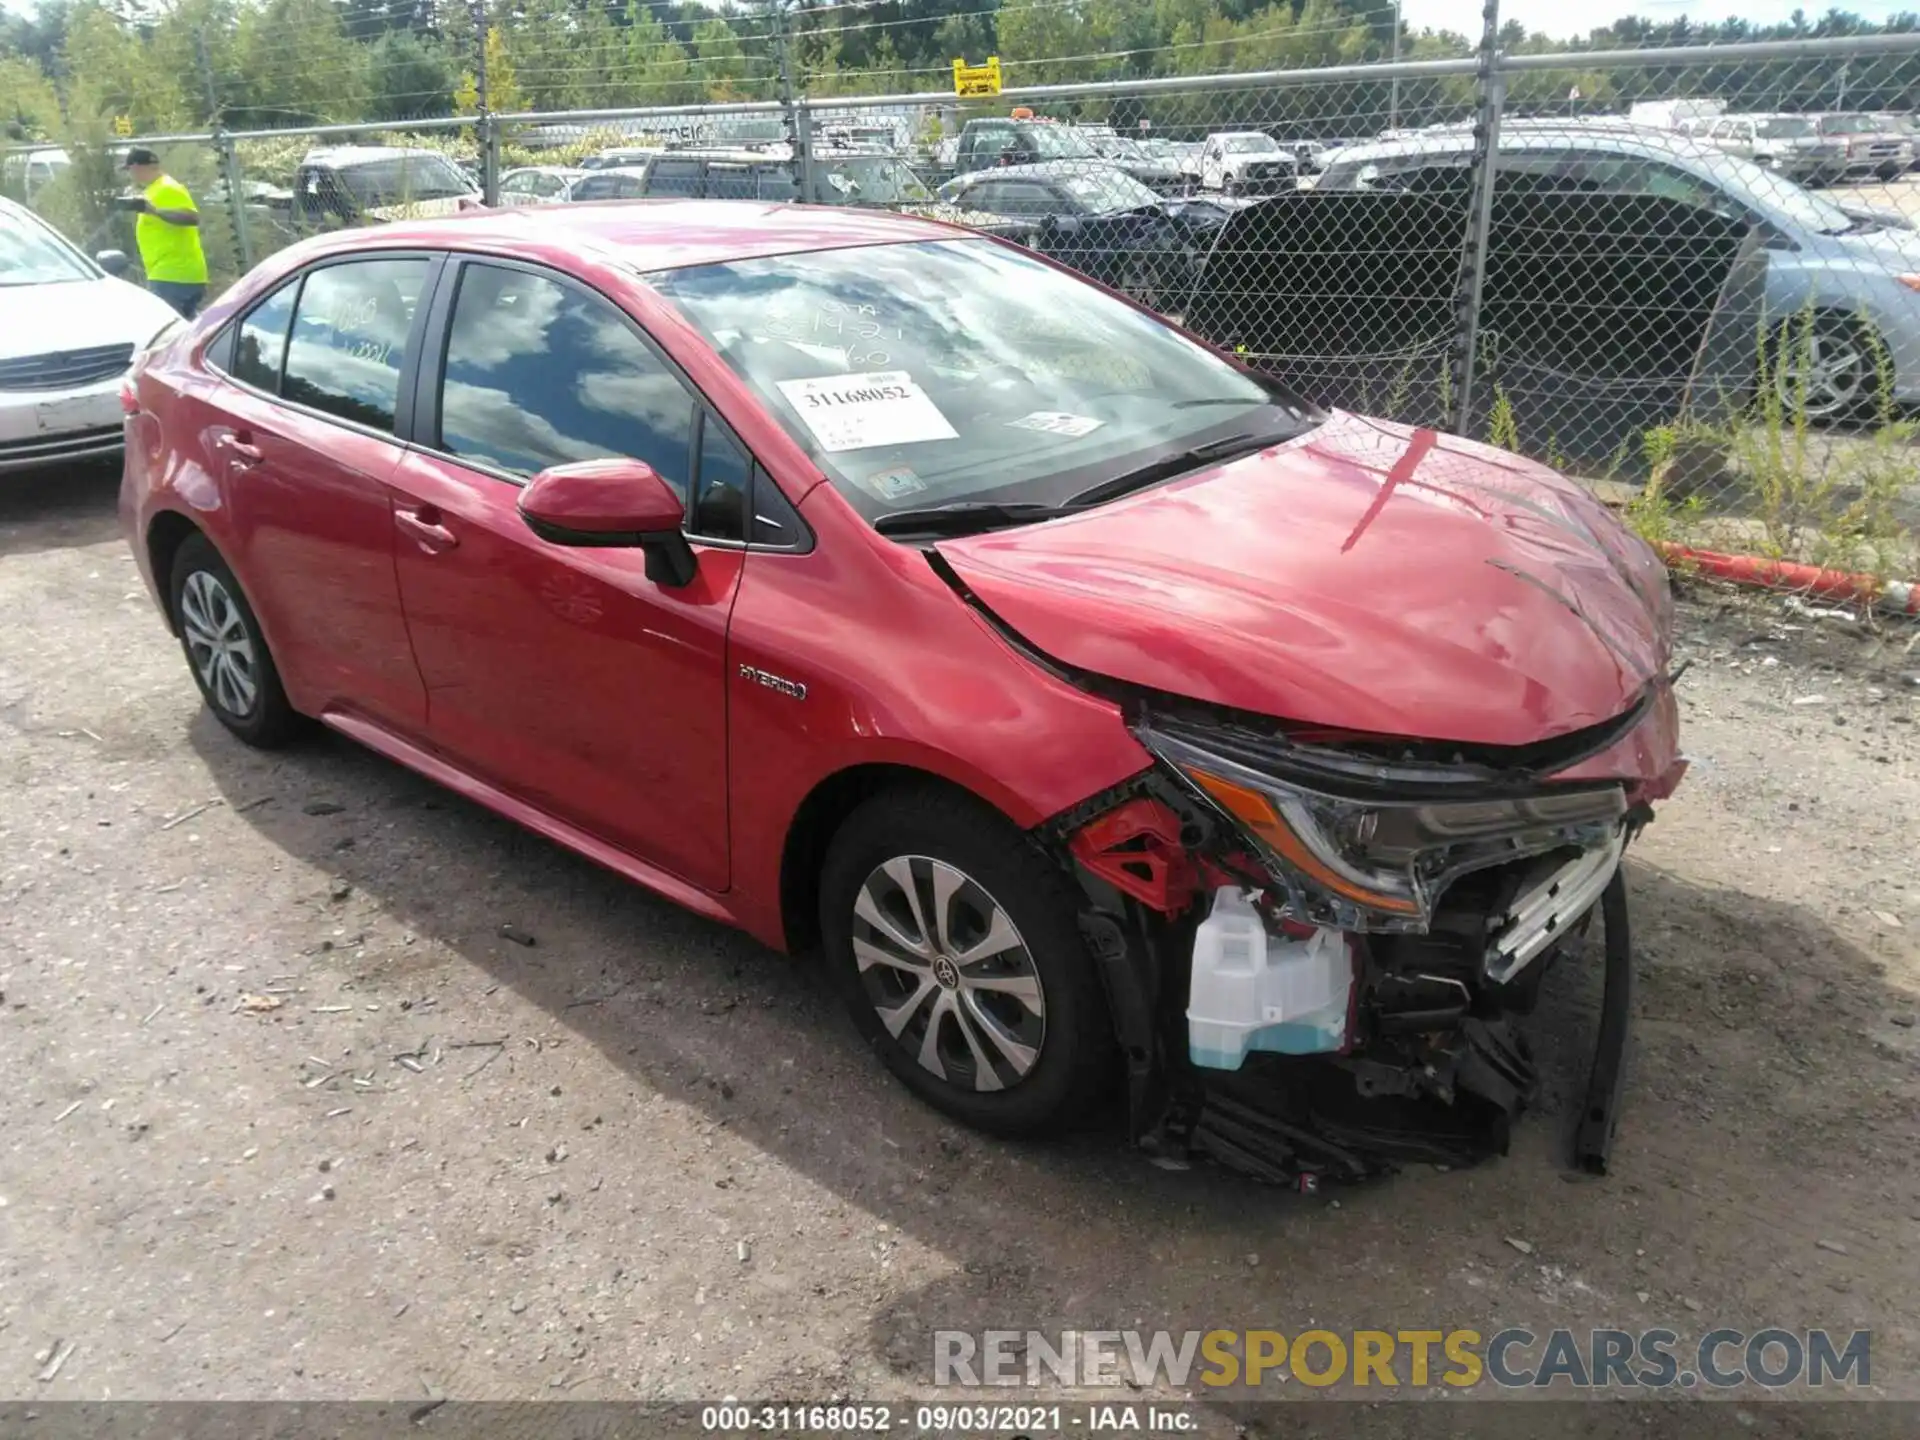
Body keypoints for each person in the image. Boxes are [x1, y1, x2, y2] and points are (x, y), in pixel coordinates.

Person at [122, 147, 208, 318]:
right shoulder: (155, 189)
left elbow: (192, 217)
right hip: (172, 274)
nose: (130, 176)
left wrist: (154, 211)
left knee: (169, 332)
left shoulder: (168, 188)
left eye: (129, 170)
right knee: (186, 331)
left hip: (173, 275)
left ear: (137, 167)